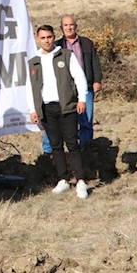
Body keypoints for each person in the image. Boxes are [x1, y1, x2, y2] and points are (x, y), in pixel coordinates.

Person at [28, 25, 89, 199]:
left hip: (67, 106)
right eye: (43, 38)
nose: (46, 40)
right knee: (56, 145)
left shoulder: (65, 55)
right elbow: (30, 87)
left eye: (49, 37)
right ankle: (63, 179)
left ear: (54, 37)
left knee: (72, 144)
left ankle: (80, 181)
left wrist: (82, 99)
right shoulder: (34, 61)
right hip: (47, 109)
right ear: (38, 39)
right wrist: (33, 109)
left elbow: (79, 77)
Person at [40, 15, 103, 153]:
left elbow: (95, 63)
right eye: (65, 25)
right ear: (61, 28)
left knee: (86, 120)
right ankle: (48, 152)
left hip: (85, 88)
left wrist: (97, 80)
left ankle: (86, 150)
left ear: (76, 26)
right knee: (55, 122)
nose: (69, 28)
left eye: (71, 25)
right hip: (64, 91)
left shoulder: (86, 43)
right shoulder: (56, 45)